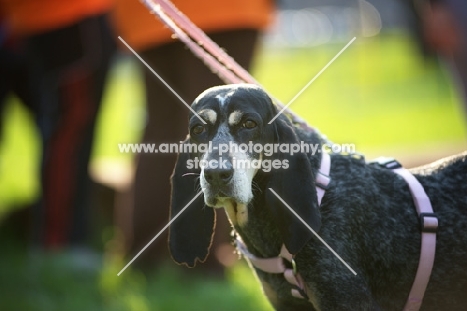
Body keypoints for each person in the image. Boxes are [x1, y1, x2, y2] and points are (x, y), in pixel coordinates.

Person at [112, 0, 274, 271]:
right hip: (224, 11)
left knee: (161, 129)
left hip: (148, 14)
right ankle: (199, 260)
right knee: (221, 133)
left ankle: (145, 253)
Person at [0, 0, 116, 251]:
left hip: (38, 21)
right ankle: (59, 242)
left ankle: (60, 238)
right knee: (70, 129)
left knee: (66, 128)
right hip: (68, 17)